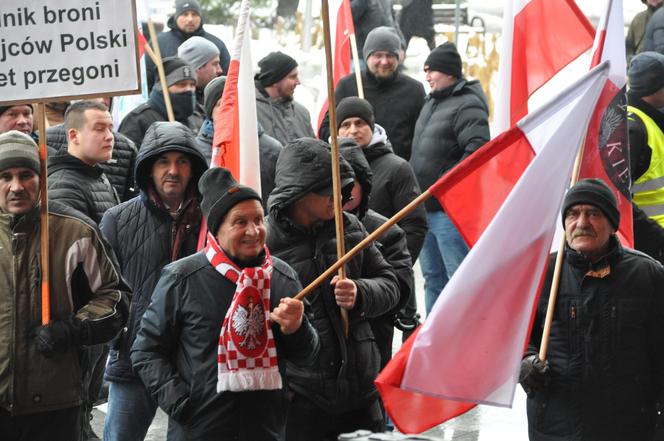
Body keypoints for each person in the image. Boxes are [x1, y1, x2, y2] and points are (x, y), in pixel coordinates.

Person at [131, 166, 319, 441]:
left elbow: (308, 355)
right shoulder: (183, 278)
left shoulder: (281, 276)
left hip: (264, 429)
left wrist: (298, 328)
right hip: (200, 429)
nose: (253, 231)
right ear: (217, 229)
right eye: (240, 222)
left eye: (258, 220)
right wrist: (183, 402)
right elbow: (146, 350)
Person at [266, 138, 400, 440]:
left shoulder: (350, 227)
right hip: (301, 399)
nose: (338, 198)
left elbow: (390, 285)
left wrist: (361, 293)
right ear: (298, 191)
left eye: (342, 189)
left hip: (361, 393)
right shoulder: (265, 245)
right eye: (328, 190)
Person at [0, 130, 127, 441]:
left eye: (26, 175)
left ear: (40, 177)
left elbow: (115, 297)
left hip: (56, 403)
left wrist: (73, 330)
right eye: (5, 176)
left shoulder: (76, 231)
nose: (16, 187)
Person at [520, 178, 664, 441]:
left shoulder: (647, 275)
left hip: (627, 427)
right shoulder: (542, 273)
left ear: (612, 225)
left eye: (593, 214)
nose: (582, 223)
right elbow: (513, 339)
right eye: (573, 214)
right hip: (556, 426)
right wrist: (526, 363)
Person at [100, 121, 208, 441]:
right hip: (134, 358)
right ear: (149, 168)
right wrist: (119, 332)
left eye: (182, 161)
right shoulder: (117, 219)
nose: (173, 170)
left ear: (194, 169)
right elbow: (103, 288)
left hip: (193, 360)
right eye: (163, 161)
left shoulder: (212, 218)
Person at [410, 41, 490, 315]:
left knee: (458, 279)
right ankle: (434, 335)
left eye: (431, 71)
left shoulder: (468, 104)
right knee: (433, 278)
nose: (428, 77)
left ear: (449, 73)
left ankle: (461, 337)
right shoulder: (432, 102)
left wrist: (444, 182)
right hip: (424, 208)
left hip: (449, 211)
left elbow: (477, 151)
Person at [336, 96, 426, 332]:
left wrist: (397, 263)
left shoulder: (397, 167)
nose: (353, 130)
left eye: (359, 123)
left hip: (386, 273)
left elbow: (414, 225)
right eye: (345, 125)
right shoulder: (326, 164)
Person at [340, 141, 414, 369]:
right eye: (338, 184)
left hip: (372, 344)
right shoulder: (310, 228)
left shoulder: (386, 231)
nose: (345, 193)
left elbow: (401, 288)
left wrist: (361, 293)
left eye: (352, 185)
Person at [319, 27, 425, 160]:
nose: (384, 61)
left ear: (399, 58)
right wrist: (349, 141)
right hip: (353, 170)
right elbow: (326, 129)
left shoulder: (414, 90)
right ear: (367, 57)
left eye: (390, 55)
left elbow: (422, 137)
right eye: (378, 55)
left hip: (397, 171)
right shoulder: (348, 86)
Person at [196, 76, 283, 209]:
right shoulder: (197, 151)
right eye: (221, 104)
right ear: (210, 112)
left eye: (234, 103)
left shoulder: (271, 150)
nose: (229, 110)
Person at [46, 105, 138, 203]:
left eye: (110, 129)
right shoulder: (63, 188)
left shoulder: (96, 174)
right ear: (74, 136)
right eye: (99, 129)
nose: (110, 137)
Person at [626, 51, 664, 265]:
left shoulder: (648, 120)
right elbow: (618, 197)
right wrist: (657, 238)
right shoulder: (632, 128)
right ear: (654, 87)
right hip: (648, 250)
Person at [145, 0, 230, 92]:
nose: (190, 19)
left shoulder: (216, 44)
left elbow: (228, 79)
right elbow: (148, 79)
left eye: (194, 14)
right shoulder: (158, 43)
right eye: (185, 14)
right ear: (176, 17)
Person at [120, 57, 200, 147]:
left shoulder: (197, 117)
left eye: (192, 85)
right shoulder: (138, 120)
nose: (188, 89)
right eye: (181, 84)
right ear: (163, 87)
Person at [254, 51, 315, 144]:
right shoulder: (250, 111)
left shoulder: (302, 113)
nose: (298, 82)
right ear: (275, 80)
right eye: (293, 77)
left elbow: (316, 151)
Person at [177, 36, 223, 126]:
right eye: (215, 64)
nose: (220, 70)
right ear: (197, 67)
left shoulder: (210, 96)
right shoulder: (181, 108)